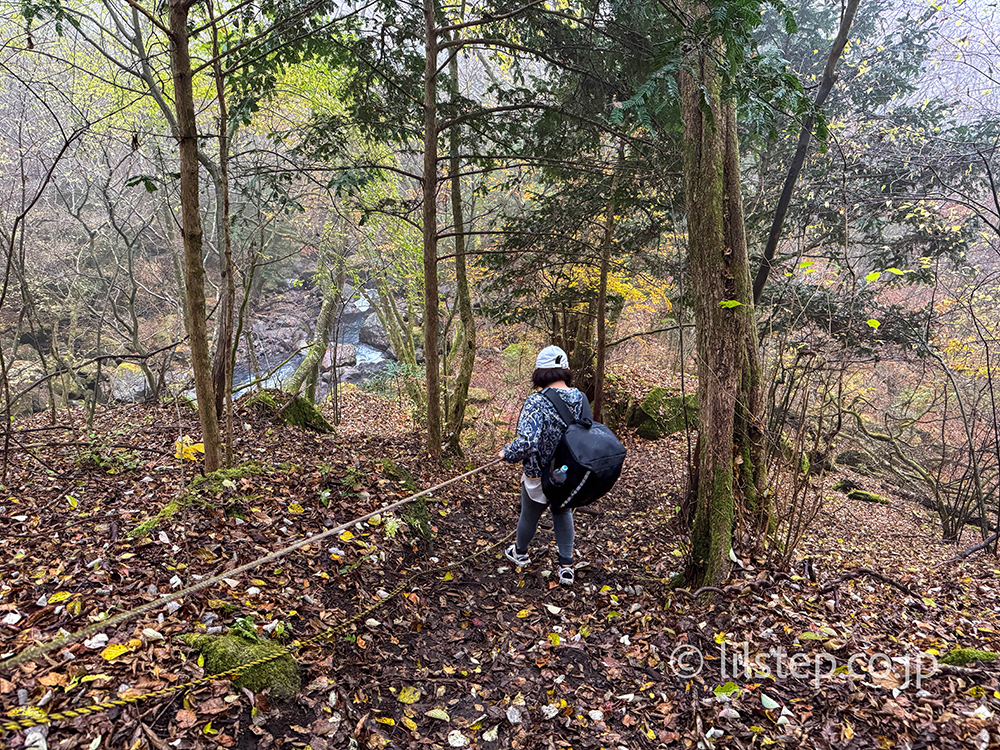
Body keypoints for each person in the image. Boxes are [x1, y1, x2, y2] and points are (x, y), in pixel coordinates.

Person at [499, 345, 591, 585]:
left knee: (529, 513)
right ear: (565, 370)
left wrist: (507, 453)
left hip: (539, 472)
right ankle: (566, 566)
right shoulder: (580, 397)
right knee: (562, 510)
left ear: (540, 372)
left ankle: (520, 553)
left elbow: (527, 442)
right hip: (570, 471)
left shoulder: (536, 402)